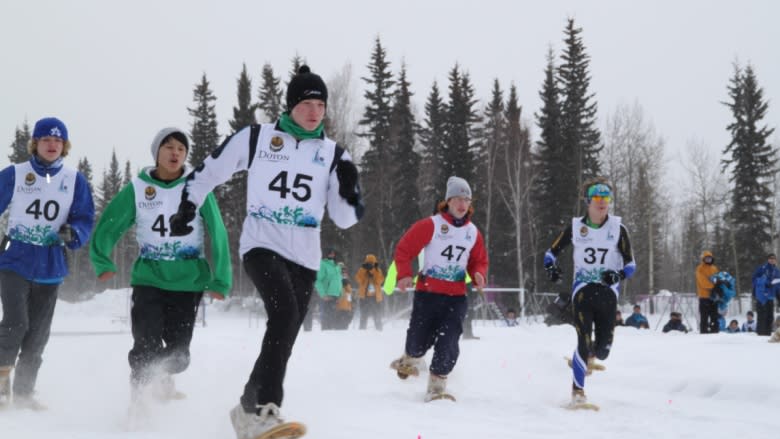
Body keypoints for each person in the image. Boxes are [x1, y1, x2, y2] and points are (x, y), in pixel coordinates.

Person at [169, 65, 363, 439]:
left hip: (306, 254)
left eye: (321, 104)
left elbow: (344, 219)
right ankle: (264, 408)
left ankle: (246, 406)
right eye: (307, 103)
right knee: (285, 312)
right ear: (291, 106)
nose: (315, 111)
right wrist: (187, 205)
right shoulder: (258, 139)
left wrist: (351, 192)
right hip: (262, 243)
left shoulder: (334, 153)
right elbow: (210, 171)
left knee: (286, 329)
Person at [89, 127, 232, 411]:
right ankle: (138, 401)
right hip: (149, 279)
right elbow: (110, 222)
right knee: (146, 344)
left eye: (181, 148)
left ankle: (162, 374)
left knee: (179, 356)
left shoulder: (197, 187)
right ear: (156, 153)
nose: (175, 152)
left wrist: (221, 279)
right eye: (168, 147)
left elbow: (218, 232)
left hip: (188, 281)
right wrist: (102, 260)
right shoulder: (139, 189)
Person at [0, 117, 95, 410]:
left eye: (57, 141)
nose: (52, 145)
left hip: (50, 266)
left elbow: (84, 218)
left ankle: (25, 393)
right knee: (16, 323)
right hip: (15, 259)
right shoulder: (15, 174)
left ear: (64, 146)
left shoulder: (73, 179)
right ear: (35, 143)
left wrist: (74, 233)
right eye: (45, 140)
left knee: (38, 334)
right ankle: (2, 383)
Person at [390, 176, 488, 402]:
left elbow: (478, 260)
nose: (462, 204)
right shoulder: (431, 225)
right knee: (418, 341)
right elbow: (405, 249)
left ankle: (437, 385)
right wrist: (404, 274)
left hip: (456, 297)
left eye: (466, 199)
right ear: (447, 201)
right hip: (428, 294)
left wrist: (479, 274)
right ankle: (410, 357)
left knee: (449, 340)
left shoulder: (473, 232)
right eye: (457, 199)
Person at [543, 177, 636, 407]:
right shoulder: (576, 227)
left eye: (606, 197)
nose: (602, 201)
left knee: (604, 350)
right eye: (597, 196)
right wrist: (551, 268)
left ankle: (590, 354)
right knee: (583, 341)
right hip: (583, 290)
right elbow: (550, 253)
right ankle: (578, 391)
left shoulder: (618, 229)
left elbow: (631, 265)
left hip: (607, 293)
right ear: (588, 201)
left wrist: (618, 275)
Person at [751, 253, 780, 336]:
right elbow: (754, 279)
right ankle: (760, 334)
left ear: (775, 260)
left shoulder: (777, 271)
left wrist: (778, 296)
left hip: (770, 296)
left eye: (773, 258)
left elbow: (778, 284)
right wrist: (766, 282)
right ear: (768, 259)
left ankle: (767, 334)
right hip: (761, 296)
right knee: (762, 316)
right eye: (770, 258)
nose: (772, 260)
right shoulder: (762, 268)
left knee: (770, 316)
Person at [355, 253, 385, 331]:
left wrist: (372, 270)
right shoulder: (362, 270)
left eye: (372, 263)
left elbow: (379, 281)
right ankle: (362, 331)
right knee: (363, 316)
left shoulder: (378, 270)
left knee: (377, 316)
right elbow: (358, 279)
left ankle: (379, 331)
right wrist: (363, 270)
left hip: (375, 298)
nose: (370, 264)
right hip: (364, 297)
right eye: (368, 263)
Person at [315, 248, 342, 330]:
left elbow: (339, 280)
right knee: (327, 318)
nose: (332, 255)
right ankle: (325, 335)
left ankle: (331, 338)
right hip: (327, 295)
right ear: (326, 254)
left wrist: (340, 293)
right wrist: (323, 294)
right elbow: (318, 280)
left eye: (333, 253)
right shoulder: (323, 264)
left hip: (335, 295)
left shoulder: (337, 266)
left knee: (333, 318)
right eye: (330, 253)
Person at [695, 250, 719, 334]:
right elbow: (702, 281)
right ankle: (704, 331)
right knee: (704, 316)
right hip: (704, 296)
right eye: (707, 258)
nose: (708, 260)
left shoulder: (714, 268)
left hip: (714, 296)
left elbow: (717, 279)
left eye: (710, 258)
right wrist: (713, 287)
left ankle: (714, 331)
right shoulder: (700, 268)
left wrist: (718, 286)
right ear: (703, 259)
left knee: (714, 315)